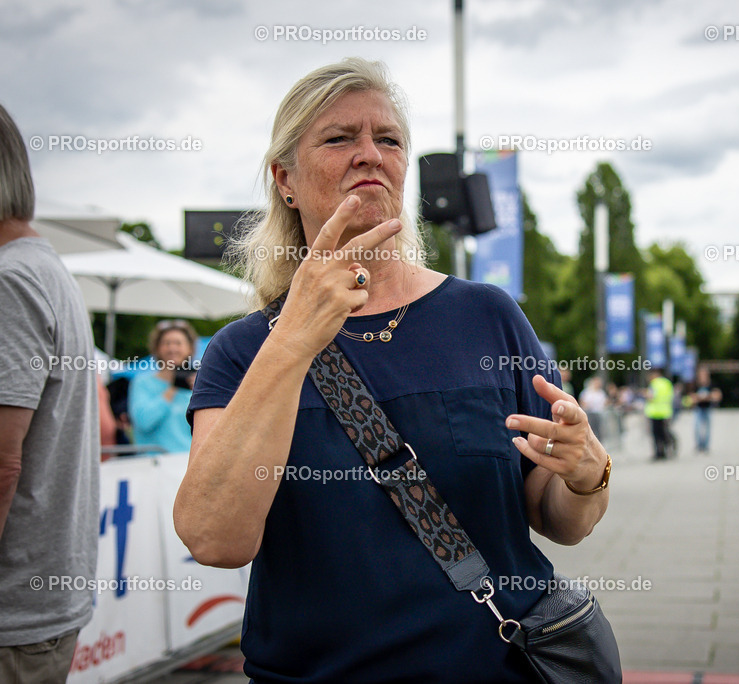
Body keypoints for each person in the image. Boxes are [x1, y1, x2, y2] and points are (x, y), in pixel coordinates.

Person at [173, 59, 611, 683]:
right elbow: (214, 540)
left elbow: (557, 520)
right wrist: (295, 335)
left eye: (389, 140)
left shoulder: (486, 315)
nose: (369, 155)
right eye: (338, 138)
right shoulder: (243, 350)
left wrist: (586, 475)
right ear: (285, 179)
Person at [0, 104, 100, 681]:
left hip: (13, 614)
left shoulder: (12, 278)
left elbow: (1, 461)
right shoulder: (44, 267)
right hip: (40, 604)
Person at [128, 319, 198, 453]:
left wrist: (201, 392)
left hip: (187, 463)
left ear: (189, 349)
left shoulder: (198, 386)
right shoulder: (141, 383)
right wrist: (173, 388)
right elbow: (144, 422)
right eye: (167, 343)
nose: (172, 348)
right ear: (157, 349)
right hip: (152, 465)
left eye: (178, 343)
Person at [689, 367, 721, 453]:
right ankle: (699, 445)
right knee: (697, 427)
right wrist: (701, 397)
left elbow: (717, 395)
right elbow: (692, 398)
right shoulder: (695, 385)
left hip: (708, 408)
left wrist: (707, 397)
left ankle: (705, 445)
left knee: (707, 428)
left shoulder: (711, 384)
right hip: (698, 408)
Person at [645, 367, 674, 460]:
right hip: (666, 411)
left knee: (656, 434)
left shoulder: (654, 384)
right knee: (664, 432)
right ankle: (667, 447)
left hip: (655, 412)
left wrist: (644, 395)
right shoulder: (667, 383)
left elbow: (651, 396)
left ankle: (659, 452)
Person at [579, 376, 609, 441]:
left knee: (598, 429)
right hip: (590, 413)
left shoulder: (601, 393)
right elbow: (583, 402)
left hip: (599, 413)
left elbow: (605, 402)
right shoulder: (587, 392)